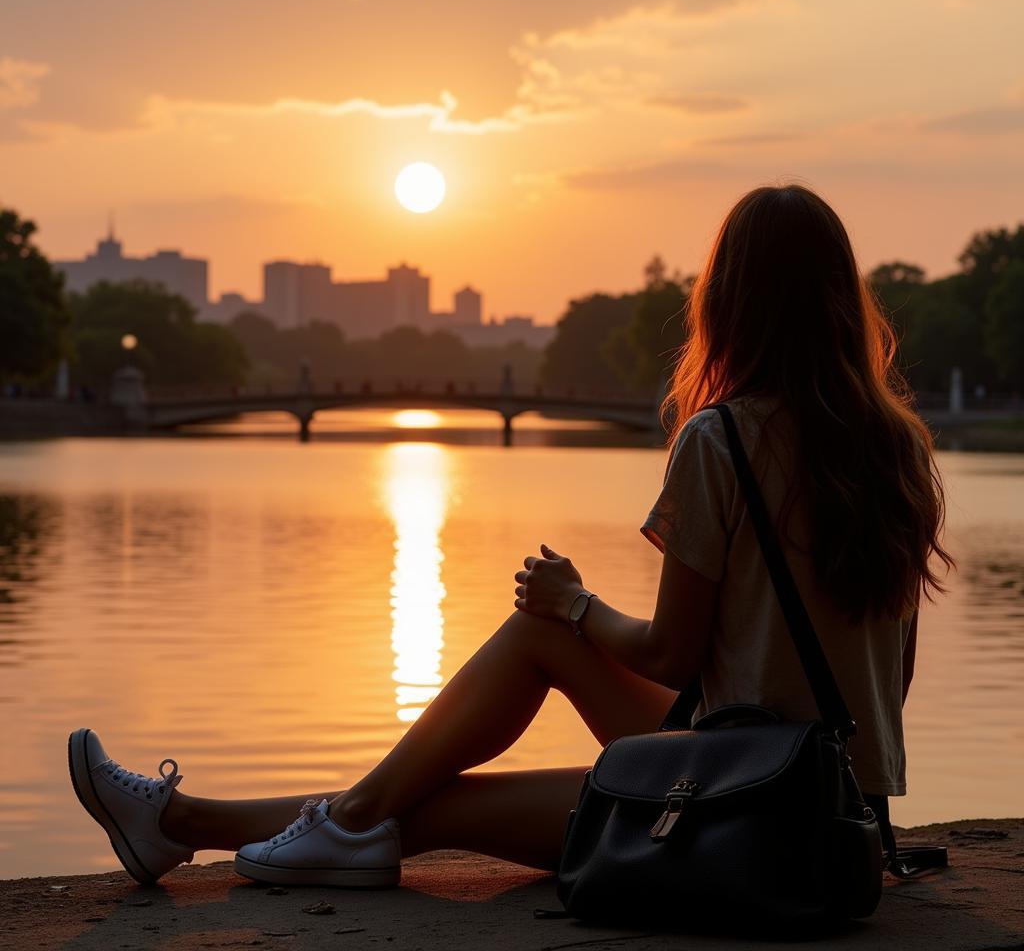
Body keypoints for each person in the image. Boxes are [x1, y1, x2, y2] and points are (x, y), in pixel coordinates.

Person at [68, 183, 954, 888]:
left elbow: (674, 655)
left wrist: (578, 604)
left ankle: (197, 824)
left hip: (749, 807)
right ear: (844, 298)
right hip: (844, 803)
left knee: (441, 801)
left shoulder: (721, 438)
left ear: (725, 301)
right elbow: (890, 679)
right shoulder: (900, 448)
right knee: (524, 657)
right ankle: (209, 824)